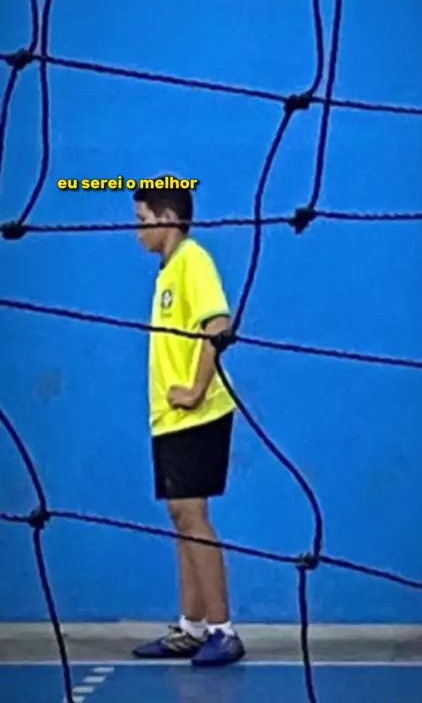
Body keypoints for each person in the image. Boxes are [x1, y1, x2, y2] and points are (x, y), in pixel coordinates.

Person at [132, 176, 245, 667]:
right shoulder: (168, 271)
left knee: (193, 516)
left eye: (142, 220)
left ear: (168, 218)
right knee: (182, 516)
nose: (137, 231)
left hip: (197, 414)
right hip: (170, 419)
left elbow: (218, 326)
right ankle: (193, 627)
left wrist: (196, 390)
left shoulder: (193, 260)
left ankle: (223, 630)